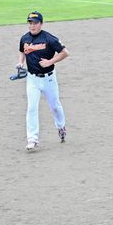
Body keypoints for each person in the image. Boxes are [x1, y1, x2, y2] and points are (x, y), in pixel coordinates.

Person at [17, 11, 70, 152]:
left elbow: (65, 52)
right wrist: (20, 63)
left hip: (49, 79)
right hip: (32, 79)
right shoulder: (24, 38)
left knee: (55, 107)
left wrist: (50, 62)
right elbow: (22, 51)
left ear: (41, 23)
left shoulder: (49, 39)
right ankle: (32, 139)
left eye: (35, 23)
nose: (32, 26)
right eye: (30, 23)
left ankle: (61, 126)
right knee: (31, 108)